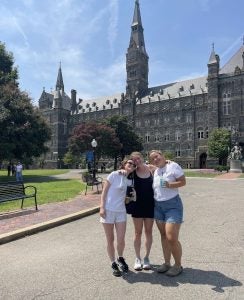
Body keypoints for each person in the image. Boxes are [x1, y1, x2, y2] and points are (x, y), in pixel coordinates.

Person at [149, 150, 186, 277]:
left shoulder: (173, 166)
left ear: (163, 155)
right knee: (163, 236)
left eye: (157, 156)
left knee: (171, 237)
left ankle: (178, 265)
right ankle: (166, 263)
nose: (155, 159)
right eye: (152, 158)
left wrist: (169, 184)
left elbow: (183, 182)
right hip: (158, 207)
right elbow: (136, 163)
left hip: (172, 206)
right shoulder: (155, 170)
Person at [99, 158, 137, 277]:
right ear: (124, 164)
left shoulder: (130, 180)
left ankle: (120, 258)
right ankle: (113, 263)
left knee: (121, 239)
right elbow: (104, 192)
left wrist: (168, 162)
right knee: (110, 240)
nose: (132, 165)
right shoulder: (114, 175)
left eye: (134, 165)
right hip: (108, 211)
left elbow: (149, 168)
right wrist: (102, 207)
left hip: (121, 212)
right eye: (129, 163)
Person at [129, 152, 155, 271]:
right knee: (137, 233)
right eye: (134, 160)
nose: (137, 161)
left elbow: (164, 166)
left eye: (138, 158)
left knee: (148, 232)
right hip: (137, 206)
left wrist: (169, 162)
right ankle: (137, 258)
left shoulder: (151, 169)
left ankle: (146, 258)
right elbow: (123, 171)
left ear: (142, 158)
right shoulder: (132, 173)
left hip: (150, 205)